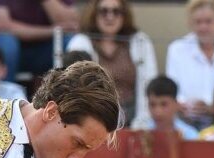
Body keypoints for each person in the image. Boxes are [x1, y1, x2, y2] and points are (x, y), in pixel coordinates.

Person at [65, 0, 156, 130]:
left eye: (116, 11)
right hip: (95, 120)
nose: (110, 16)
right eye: (104, 11)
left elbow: (149, 84)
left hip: (135, 123)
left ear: (124, 15)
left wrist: (142, 123)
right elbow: (73, 90)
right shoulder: (80, 42)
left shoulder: (140, 42)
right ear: (94, 14)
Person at [164, 0, 214, 130]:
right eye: (198, 22)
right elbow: (172, 89)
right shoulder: (177, 49)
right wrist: (183, 105)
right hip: (186, 120)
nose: (203, 27)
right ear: (190, 23)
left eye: (208, 21)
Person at [0, 0, 78, 83]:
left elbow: (71, 25)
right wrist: (52, 31)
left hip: (45, 49)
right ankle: (4, 97)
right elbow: (3, 26)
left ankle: (71, 96)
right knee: (7, 42)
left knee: (72, 42)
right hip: (13, 50)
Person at [144, 74, 198, 139]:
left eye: (164, 104)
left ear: (176, 105)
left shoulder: (191, 136)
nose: (158, 112)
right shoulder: (142, 134)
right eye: (152, 105)